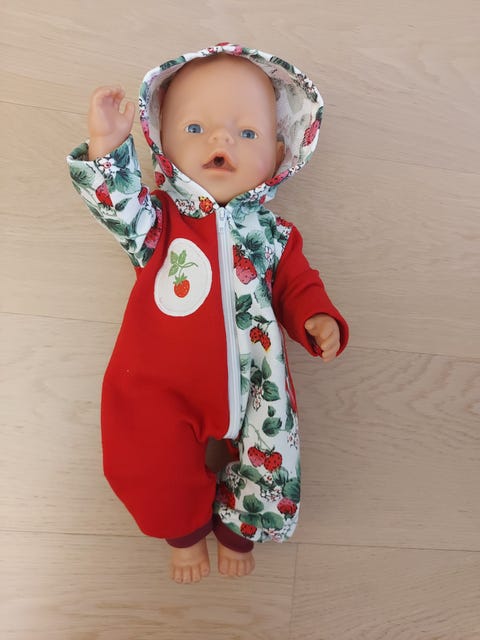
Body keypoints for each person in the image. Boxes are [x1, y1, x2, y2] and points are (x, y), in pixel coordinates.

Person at [67, 43, 349, 584]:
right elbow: (118, 206)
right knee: (144, 458)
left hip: (259, 382)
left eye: (247, 132)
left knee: (276, 456)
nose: (222, 139)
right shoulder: (158, 220)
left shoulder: (273, 235)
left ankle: (241, 529)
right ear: (163, 145)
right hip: (158, 384)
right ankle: (183, 531)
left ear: (279, 154)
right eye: (196, 128)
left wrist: (317, 317)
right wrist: (109, 147)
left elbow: (297, 284)